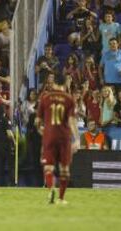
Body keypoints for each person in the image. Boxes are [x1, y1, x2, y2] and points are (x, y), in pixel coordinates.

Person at [35, 75, 80, 204]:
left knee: (48, 167)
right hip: (64, 136)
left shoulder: (45, 98)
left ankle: (51, 190)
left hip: (49, 135)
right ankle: (61, 198)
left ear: (53, 83)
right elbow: (72, 120)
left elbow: (37, 122)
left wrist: (43, 132)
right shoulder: (69, 99)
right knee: (64, 169)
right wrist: (76, 139)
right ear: (65, 84)